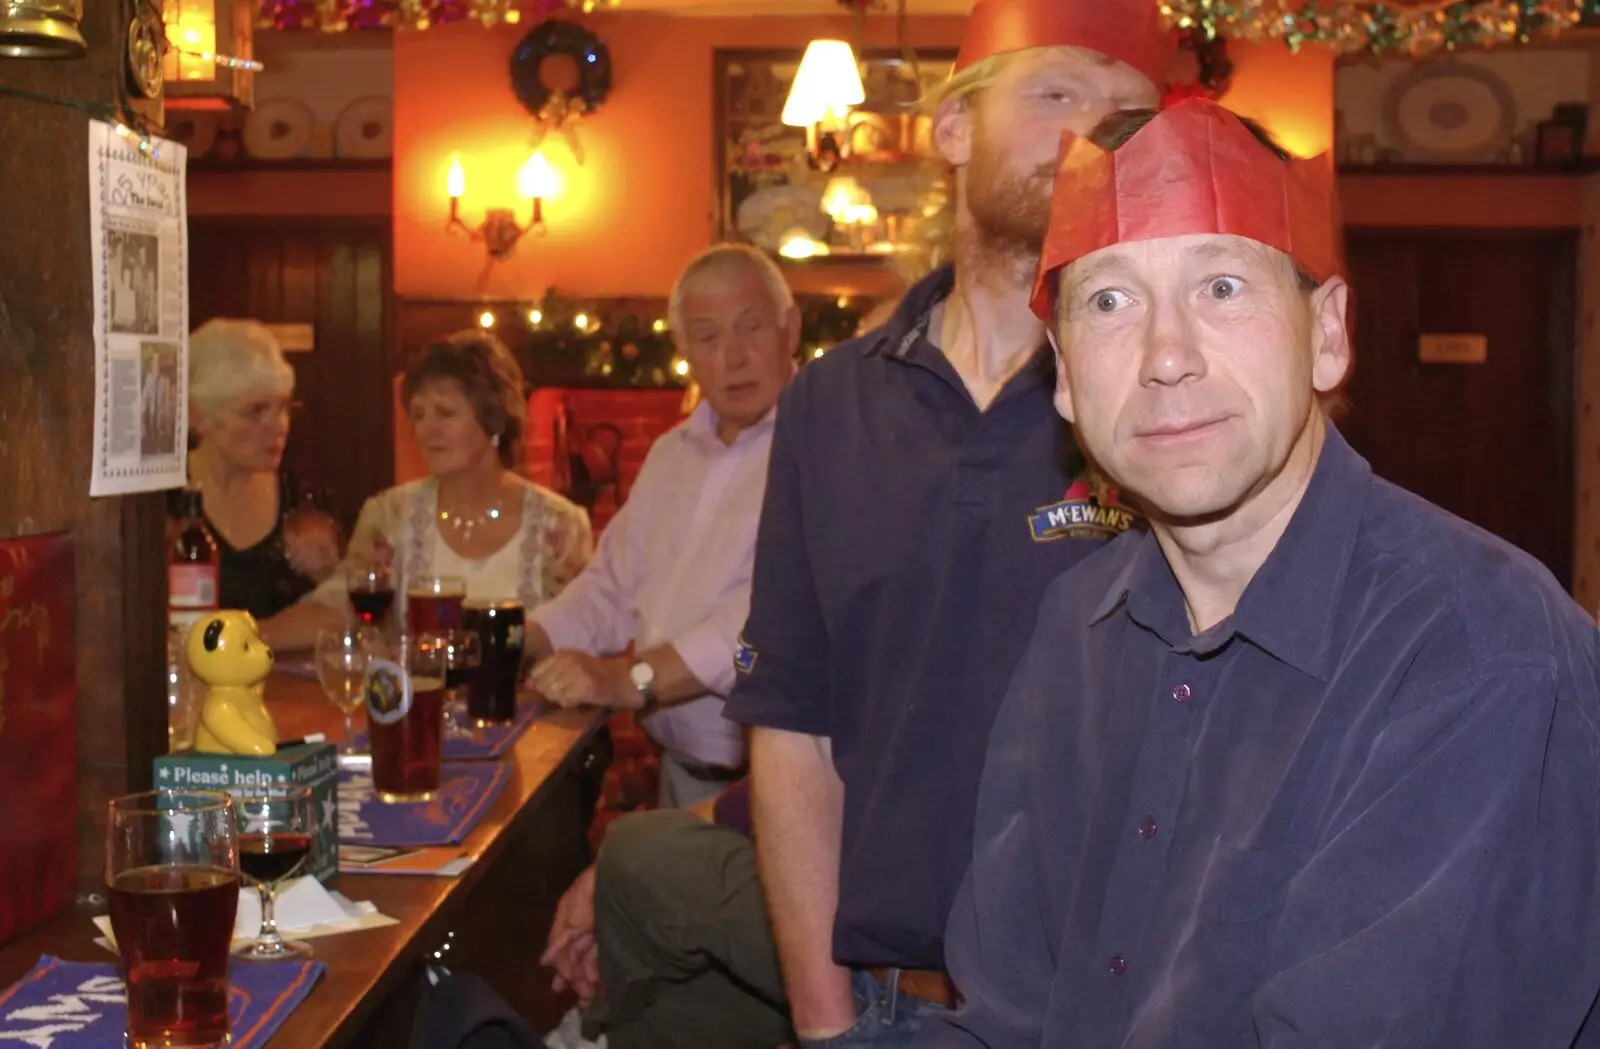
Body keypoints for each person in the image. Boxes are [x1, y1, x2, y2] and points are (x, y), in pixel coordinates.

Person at [924, 99, 1600, 1049]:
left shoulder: (1482, 649)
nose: (1166, 357)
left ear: (1326, 335)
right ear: (1066, 377)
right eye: (1109, 302)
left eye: (1224, 287)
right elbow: (1003, 1015)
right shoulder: (1074, 626)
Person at [723, 1, 1175, 1044]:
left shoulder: (1167, 396)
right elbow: (792, 725)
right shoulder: (829, 403)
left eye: (1129, 112)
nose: (1093, 131)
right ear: (954, 129)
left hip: (1118, 1005)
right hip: (888, 1001)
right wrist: (826, 1023)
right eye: (1056, 91)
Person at [529, 244, 799, 808]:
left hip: (781, 787)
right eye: (708, 337)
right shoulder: (669, 456)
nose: (734, 356)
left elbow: (760, 619)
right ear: (684, 352)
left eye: (750, 329)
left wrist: (628, 679)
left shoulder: (823, 448)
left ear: (789, 329)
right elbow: (609, 589)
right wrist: (513, 642)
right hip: (680, 776)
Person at [261, 329, 592, 650]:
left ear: (493, 419)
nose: (427, 430)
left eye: (445, 413)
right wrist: (249, 635)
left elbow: (584, 633)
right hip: (416, 704)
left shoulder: (560, 525)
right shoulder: (389, 516)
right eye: (418, 415)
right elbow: (336, 605)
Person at [176, 318, 343, 620]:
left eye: (283, 407)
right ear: (198, 416)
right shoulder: (159, 502)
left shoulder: (304, 500)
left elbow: (338, 613)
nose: (278, 425)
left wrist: (328, 573)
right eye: (256, 411)